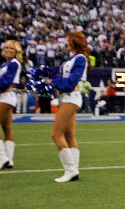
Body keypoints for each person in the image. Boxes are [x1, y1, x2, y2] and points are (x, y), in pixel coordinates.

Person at [51, 31, 90, 183]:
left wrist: (55, 83)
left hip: (71, 98)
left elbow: (71, 82)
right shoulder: (71, 58)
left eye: (68, 40)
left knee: (55, 134)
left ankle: (70, 170)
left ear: (74, 42)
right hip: (66, 97)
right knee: (69, 135)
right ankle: (74, 169)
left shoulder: (80, 58)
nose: (66, 43)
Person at [0, 40, 23, 170]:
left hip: (6, 96)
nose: (8, 50)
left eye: (11, 48)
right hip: (4, 97)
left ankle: (2, 158)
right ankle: (9, 160)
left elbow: (3, 83)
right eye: (6, 48)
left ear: (16, 51)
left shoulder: (14, 63)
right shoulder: (4, 64)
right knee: (7, 128)